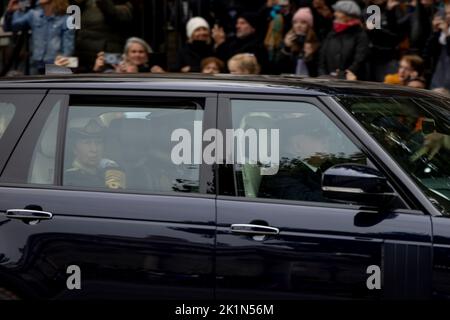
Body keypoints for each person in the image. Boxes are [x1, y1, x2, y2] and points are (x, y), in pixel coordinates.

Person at [3, 0, 75, 75]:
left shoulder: (66, 19)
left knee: (52, 85)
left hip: (55, 65)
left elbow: (68, 48)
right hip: (35, 64)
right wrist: (10, 11)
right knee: (34, 85)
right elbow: (10, 27)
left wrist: (61, 69)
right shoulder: (33, 15)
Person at [69, 0, 135, 72]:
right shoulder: (86, 4)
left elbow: (114, 15)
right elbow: (72, 21)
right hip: (82, 56)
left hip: (106, 58)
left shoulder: (124, 5)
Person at [65, 118, 125, 189]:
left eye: (98, 142)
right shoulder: (68, 178)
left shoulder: (110, 169)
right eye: (87, 143)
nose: (94, 149)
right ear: (74, 148)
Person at [318, 0, 369, 80]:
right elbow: (322, 57)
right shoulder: (332, 33)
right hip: (327, 79)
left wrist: (344, 74)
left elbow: (360, 58)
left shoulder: (359, 35)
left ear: (348, 15)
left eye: (339, 12)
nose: (335, 14)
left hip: (350, 81)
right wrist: (323, 75)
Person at [276, 7, 319, 76]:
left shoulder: (314, 43)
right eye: (295, 22)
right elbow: (278, 68)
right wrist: (287, 48)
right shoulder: (287, 40)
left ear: (309, 26)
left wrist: (308, 57)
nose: (298, 26)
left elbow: (317, 72)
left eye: (303, 22)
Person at [93, 37, 164, 73]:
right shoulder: (116, 69)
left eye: (141, 52)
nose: (137, 55)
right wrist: (97, 70)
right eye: (133, 51)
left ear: (146, 55)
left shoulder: (153, 71)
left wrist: (162, 75)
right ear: (126, 54)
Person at [429, 3, 450, 90]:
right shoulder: (443, 29)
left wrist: (446, 33)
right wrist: (435, 31)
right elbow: (430, 52)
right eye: (446, 13)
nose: (447, 16)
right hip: (440, 72)